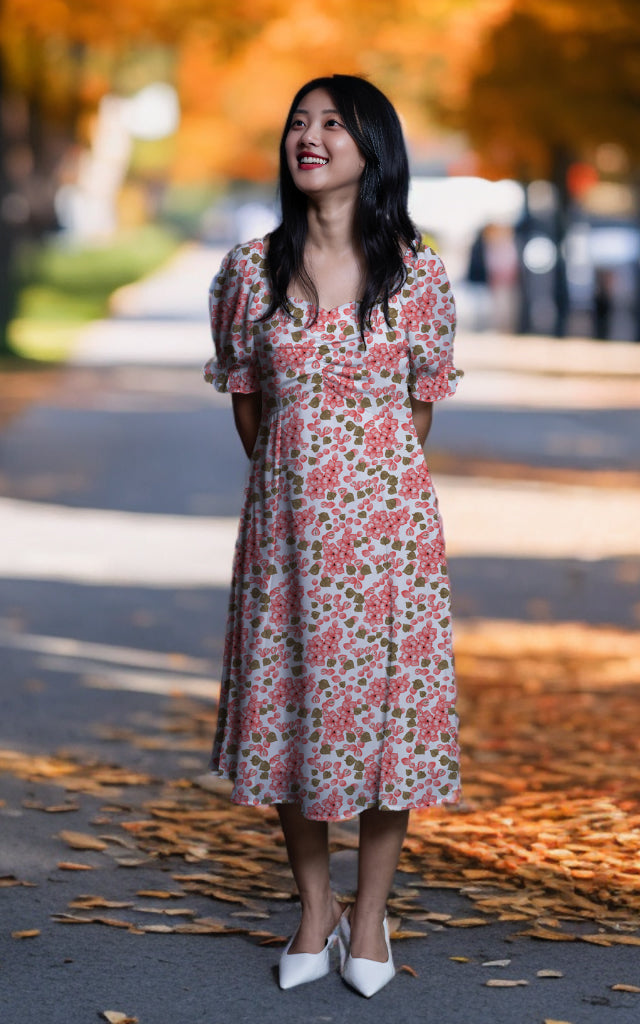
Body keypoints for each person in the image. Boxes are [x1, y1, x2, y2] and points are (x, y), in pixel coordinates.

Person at [204, 74, 461, 998]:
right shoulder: (248, 269)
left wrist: (363, 482)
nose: (309, 137)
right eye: (299, 123)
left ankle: (369, 913)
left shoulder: (418, 272)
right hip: (283, 530)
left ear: (372, 149)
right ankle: (314, 908)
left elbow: (419, 406)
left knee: (387, 718)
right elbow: (248, 400)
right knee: (292, 711)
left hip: (391, 534)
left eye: (332, 125)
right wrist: (297, 479)